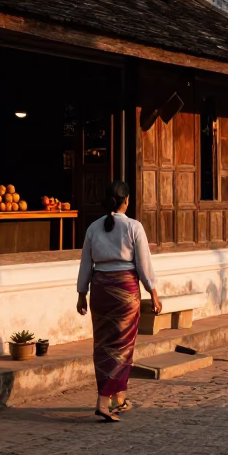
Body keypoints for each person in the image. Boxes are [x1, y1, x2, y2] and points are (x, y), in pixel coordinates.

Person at [76, 180, 162, 422]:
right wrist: (153, 292)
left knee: (104, 345)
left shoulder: (94, 227)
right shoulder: (134, 227)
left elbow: (85, 263)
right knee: (123, 347)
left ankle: (119, 398)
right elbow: (144, 264)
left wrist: (82, 293)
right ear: (127, 201)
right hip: (125, 291)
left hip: (101, 290)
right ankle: (103, 401)